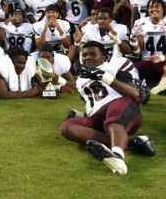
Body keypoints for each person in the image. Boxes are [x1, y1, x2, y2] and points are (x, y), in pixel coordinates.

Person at [59, 41, 152, 176]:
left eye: (92, 54)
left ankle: (118, 155)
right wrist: (81, 115)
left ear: (104, 57)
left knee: (115, 110)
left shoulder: (117, 65)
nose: (87, 57)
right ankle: (133, 144)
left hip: (124, 109)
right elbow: (94, 105)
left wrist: (104, 76)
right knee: (67, 127)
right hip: (99, 117)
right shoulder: (81, 79)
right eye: (84, 55)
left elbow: (137, 95)